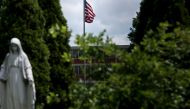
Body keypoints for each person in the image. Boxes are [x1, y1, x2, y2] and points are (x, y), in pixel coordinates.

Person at [0, 38, 36, 109]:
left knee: (20, 97)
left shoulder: (23, 56)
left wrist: (30, 76)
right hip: (10, 78)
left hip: (19, 78)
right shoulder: (8, 56)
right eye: (12, 46)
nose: (14, 48)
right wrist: (1, 75)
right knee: (10, 95)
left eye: (15, 46)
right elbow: (3, 66)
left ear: (18, 46)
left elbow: (28, 67)